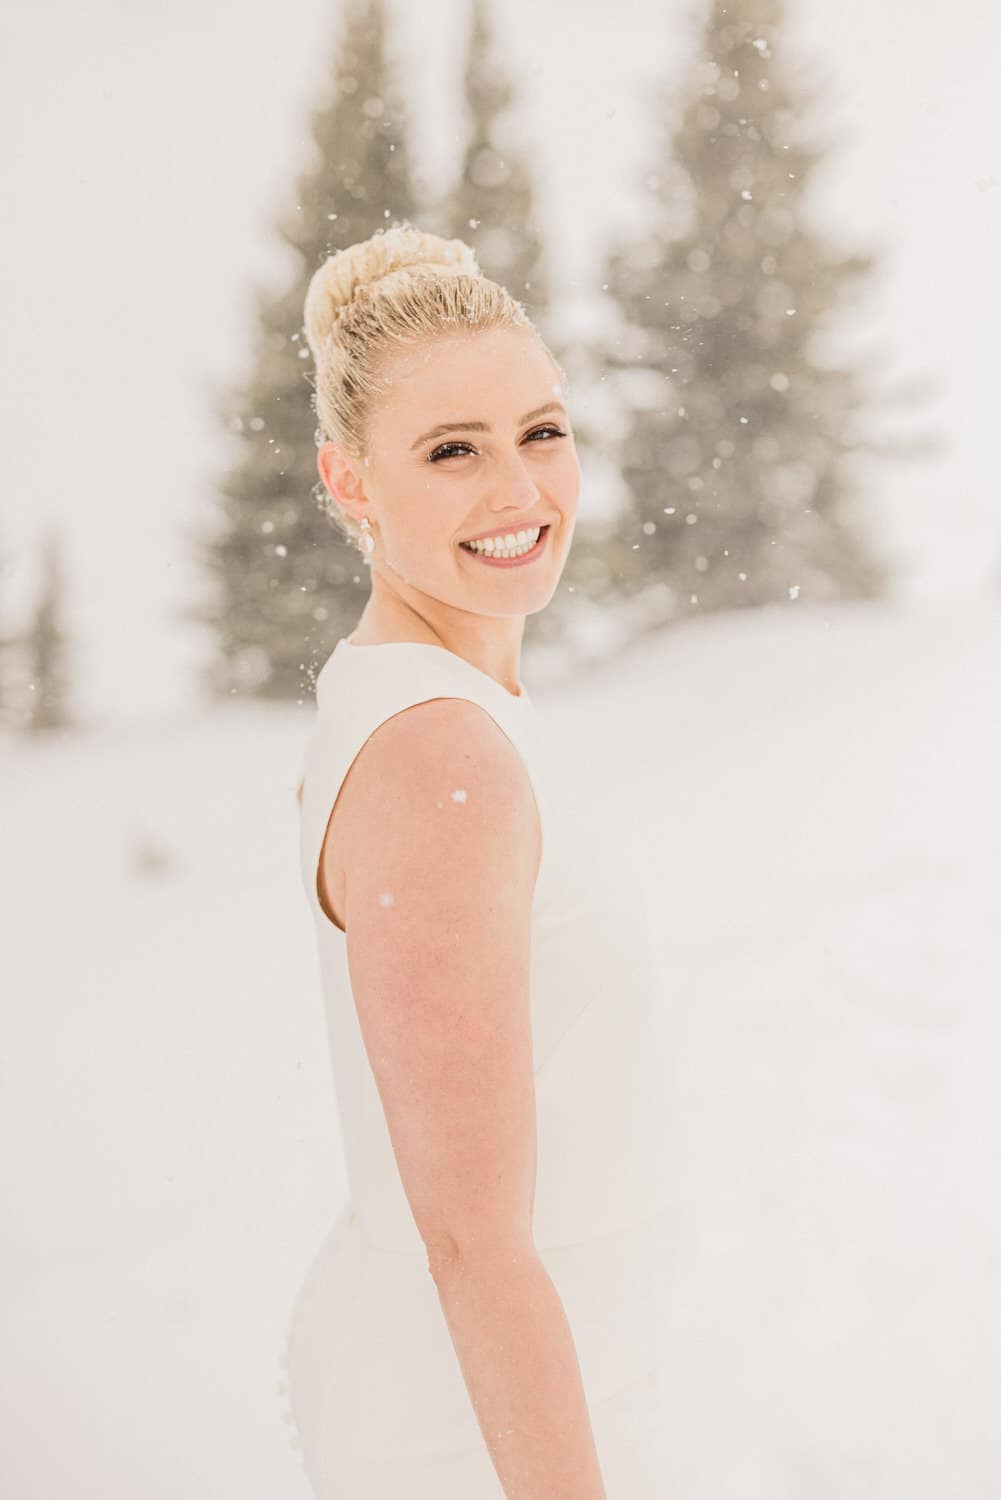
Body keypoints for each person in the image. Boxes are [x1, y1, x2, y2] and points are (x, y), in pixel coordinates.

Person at [280, 221, 671, 1498]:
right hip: (477, 1435)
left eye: (539, 432)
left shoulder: (437, 708)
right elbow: (473, 1243)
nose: (518, 491)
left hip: (536, 1381)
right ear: (349, 482)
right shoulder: (439, 757)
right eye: (452, 451)